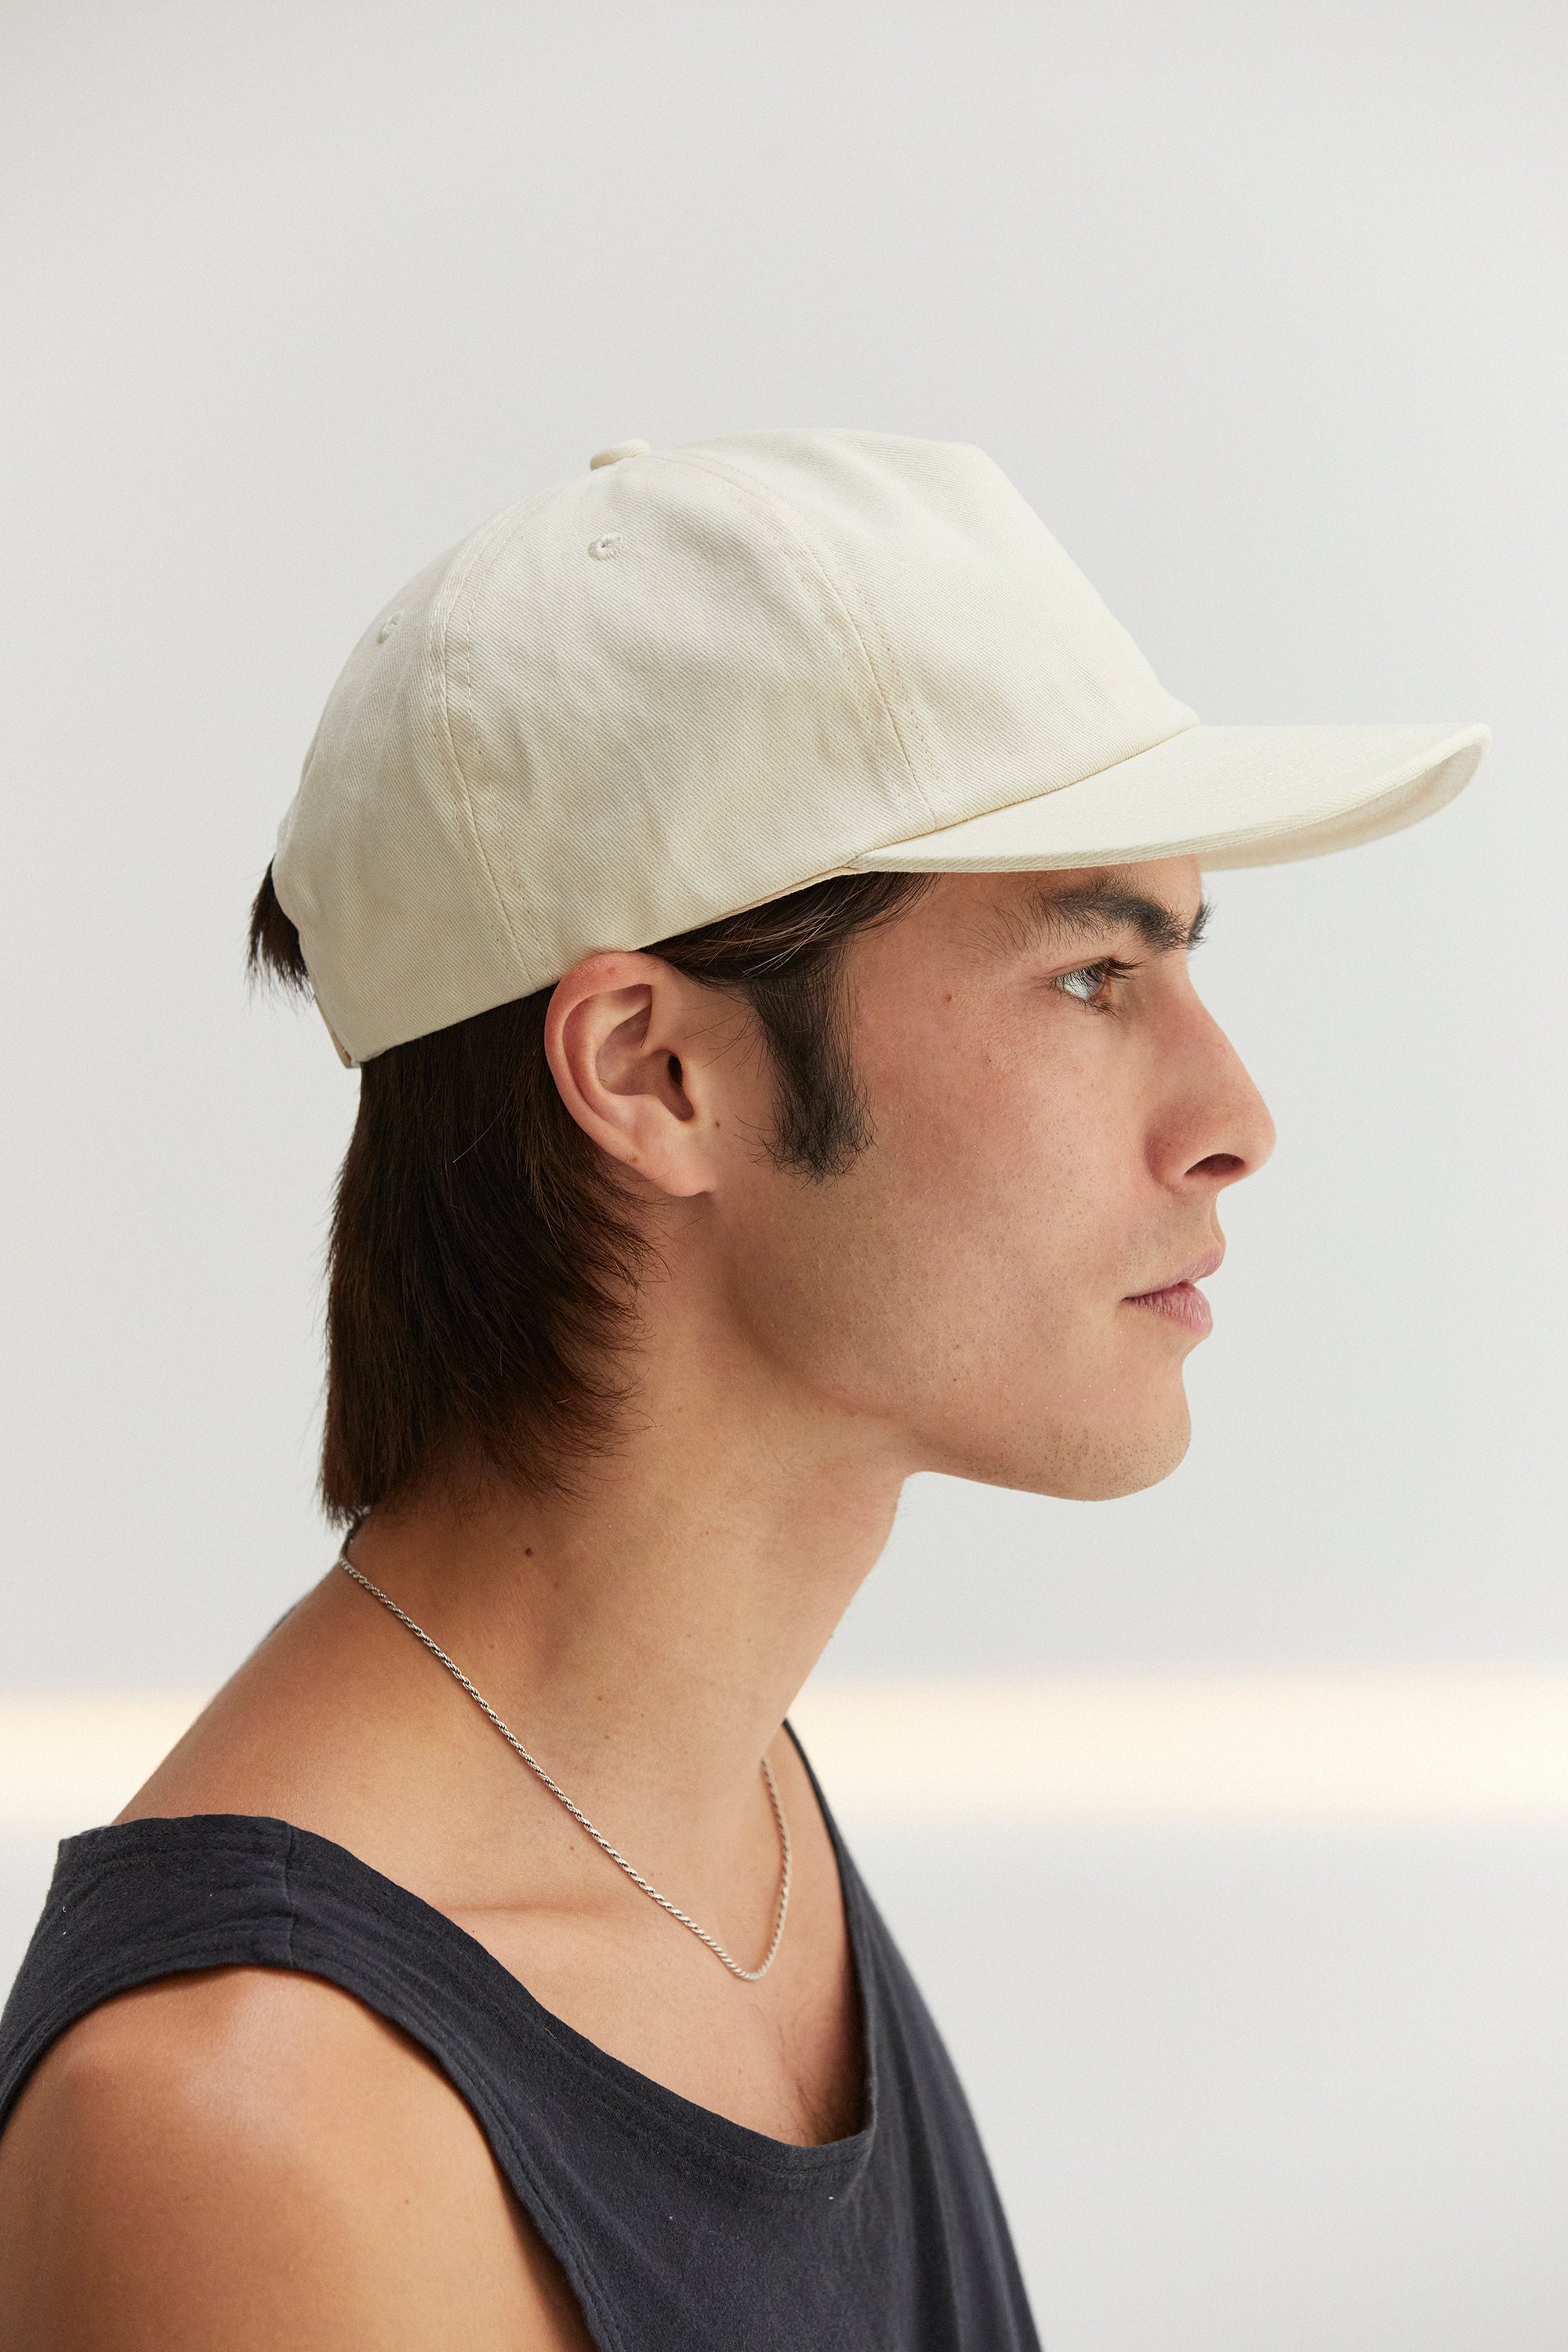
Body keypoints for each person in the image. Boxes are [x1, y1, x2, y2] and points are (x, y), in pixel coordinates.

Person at [0, 431, 1486, 2349]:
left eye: (1178, 962)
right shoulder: (266, 2125)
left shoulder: (716, 1815)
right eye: (1091, 976)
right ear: (655, 1072)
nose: (1237, 1119)